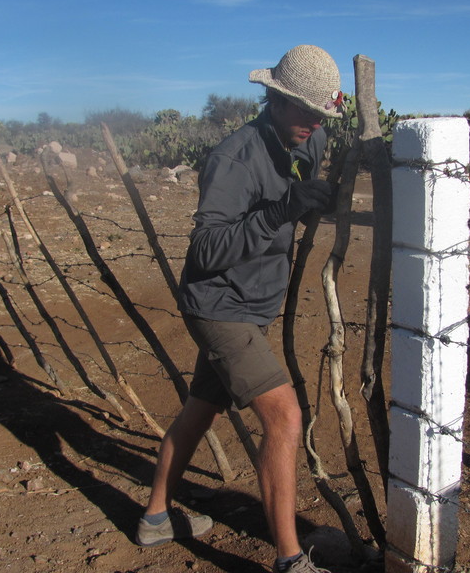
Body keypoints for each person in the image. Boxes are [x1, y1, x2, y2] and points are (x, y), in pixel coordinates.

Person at [136, 44, 344, 573]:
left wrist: (312, 199)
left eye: (322, 114)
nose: (314, 123)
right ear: (275, 99)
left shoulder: (311, 138)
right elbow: (206, 250)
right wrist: (280, 212)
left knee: (200, 409)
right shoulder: (234, 158)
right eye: (305, 111)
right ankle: (290, 560)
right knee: (285, 416)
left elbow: (306, 187)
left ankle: (156, 519)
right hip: (219, 305)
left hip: (252, 304)